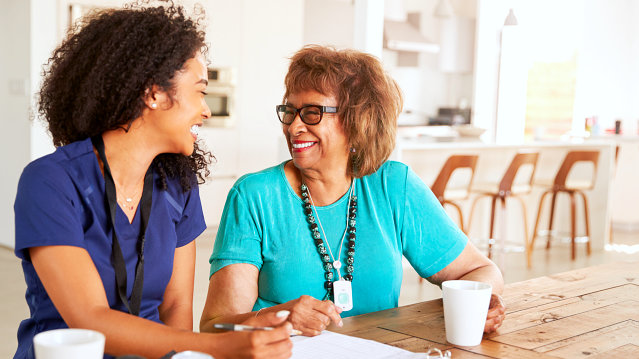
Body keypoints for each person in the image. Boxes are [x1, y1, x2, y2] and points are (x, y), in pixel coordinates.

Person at [13, 3, 292, 359]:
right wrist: (220, 346)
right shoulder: (50, 182)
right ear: (154, 93)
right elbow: (90, 320)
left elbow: (176, 307)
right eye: (199, 91)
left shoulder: (178, 184)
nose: (205, 109)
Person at [200, 45, 506, 337]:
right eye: (290, 111)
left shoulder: (393, 186)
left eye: (312, 113)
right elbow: (216, 325)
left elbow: (480, 271)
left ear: (357, 121)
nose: (293, 127)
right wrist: (277, 317)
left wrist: (483, 304)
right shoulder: (255, 196)